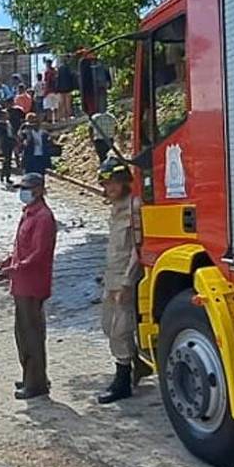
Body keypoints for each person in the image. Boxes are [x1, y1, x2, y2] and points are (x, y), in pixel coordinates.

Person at [0, 174, 57, 400]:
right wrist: (8, 261)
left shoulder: (43, 217)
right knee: (22, 333)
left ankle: (36, 383)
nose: (23, 192)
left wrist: (15, 269)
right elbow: (22, 247)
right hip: (22, 282)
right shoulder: (29, 213)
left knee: (31, 334)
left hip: (32, 283)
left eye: (27, 188)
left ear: (39, 190)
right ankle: (30, 375)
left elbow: (39, 254)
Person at [96, 159, 149, 403]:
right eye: (106, 184)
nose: (110, 188)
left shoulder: (135, 206)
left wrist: (128, 282)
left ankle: (123, 380)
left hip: (126, 277)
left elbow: (138, 248)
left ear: (124, 181)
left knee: (120, 328)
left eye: (114, 183)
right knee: (109, 325)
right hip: (112, 275)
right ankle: (138, 365)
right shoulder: (115, 207)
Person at [0, 115, 15, 185]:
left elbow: (12, 133)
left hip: (10, 142)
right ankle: (4, 176)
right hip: (4, 143)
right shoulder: (0, 124)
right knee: (6, 159)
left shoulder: (9, 123)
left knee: (9, 160)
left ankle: (6, 176)